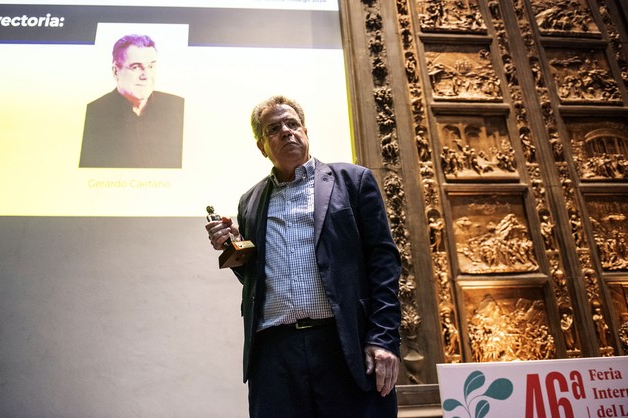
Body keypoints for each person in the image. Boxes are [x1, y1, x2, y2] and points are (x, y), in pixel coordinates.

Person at [205, 95, 401, 417]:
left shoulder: (353, 181)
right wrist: (234, 246)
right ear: (261, 146)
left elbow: (384, 265)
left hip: (342, 344)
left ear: (305, 131)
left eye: (292, 124)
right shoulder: (250, 202)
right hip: (275, 354)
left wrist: (382, 338)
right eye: (274, 129)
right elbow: (256, 279)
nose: (286, 131)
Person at [79, 34, 184, 168]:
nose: (146, 76)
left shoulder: (178, 107)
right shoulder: (91, 116)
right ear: (116, 72)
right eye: (135, 67)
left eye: (151, 67)